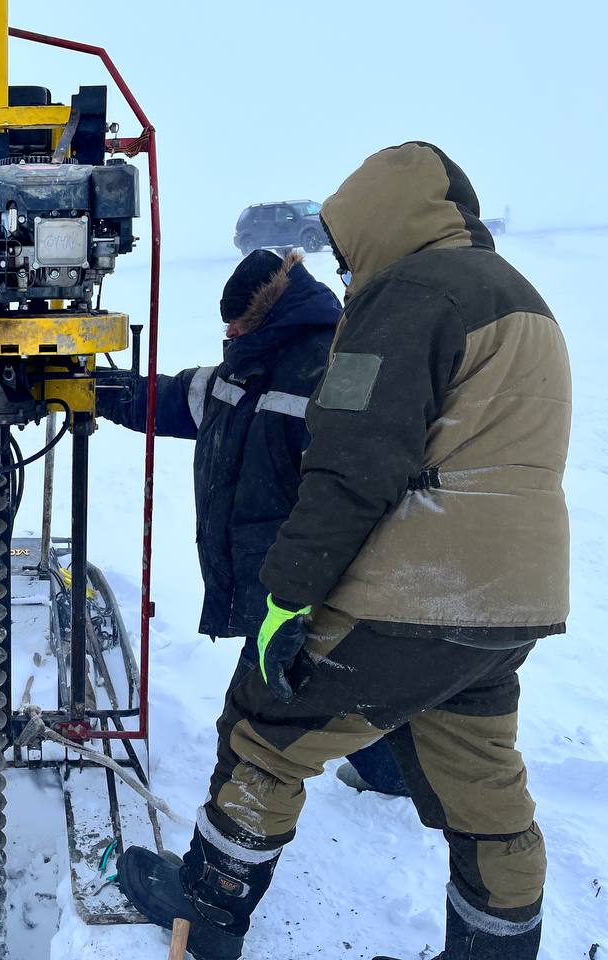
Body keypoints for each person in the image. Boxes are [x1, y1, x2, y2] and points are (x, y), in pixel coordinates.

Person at [117, 141, 571, 960]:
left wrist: (286, 599)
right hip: (517, 599)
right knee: (483, 785)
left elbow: (350, 466)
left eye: (344, 240)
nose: (342, 260)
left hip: (421, 589)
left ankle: (208, 913)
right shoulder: (519, 297)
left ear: (376, 219)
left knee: (266, 725)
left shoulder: (407, 297)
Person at [97, 248, 406, 796]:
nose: (230, 333)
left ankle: (220, 863)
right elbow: (173, 399)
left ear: (265, 314)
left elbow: (351, 493)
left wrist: (296, 596)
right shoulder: (248, 368)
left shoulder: (331, 371)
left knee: (252, 720)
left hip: (301, 587)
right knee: (348, 676)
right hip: (287, 579)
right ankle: (391, 775)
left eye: (237, 323)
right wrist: (93, 388)